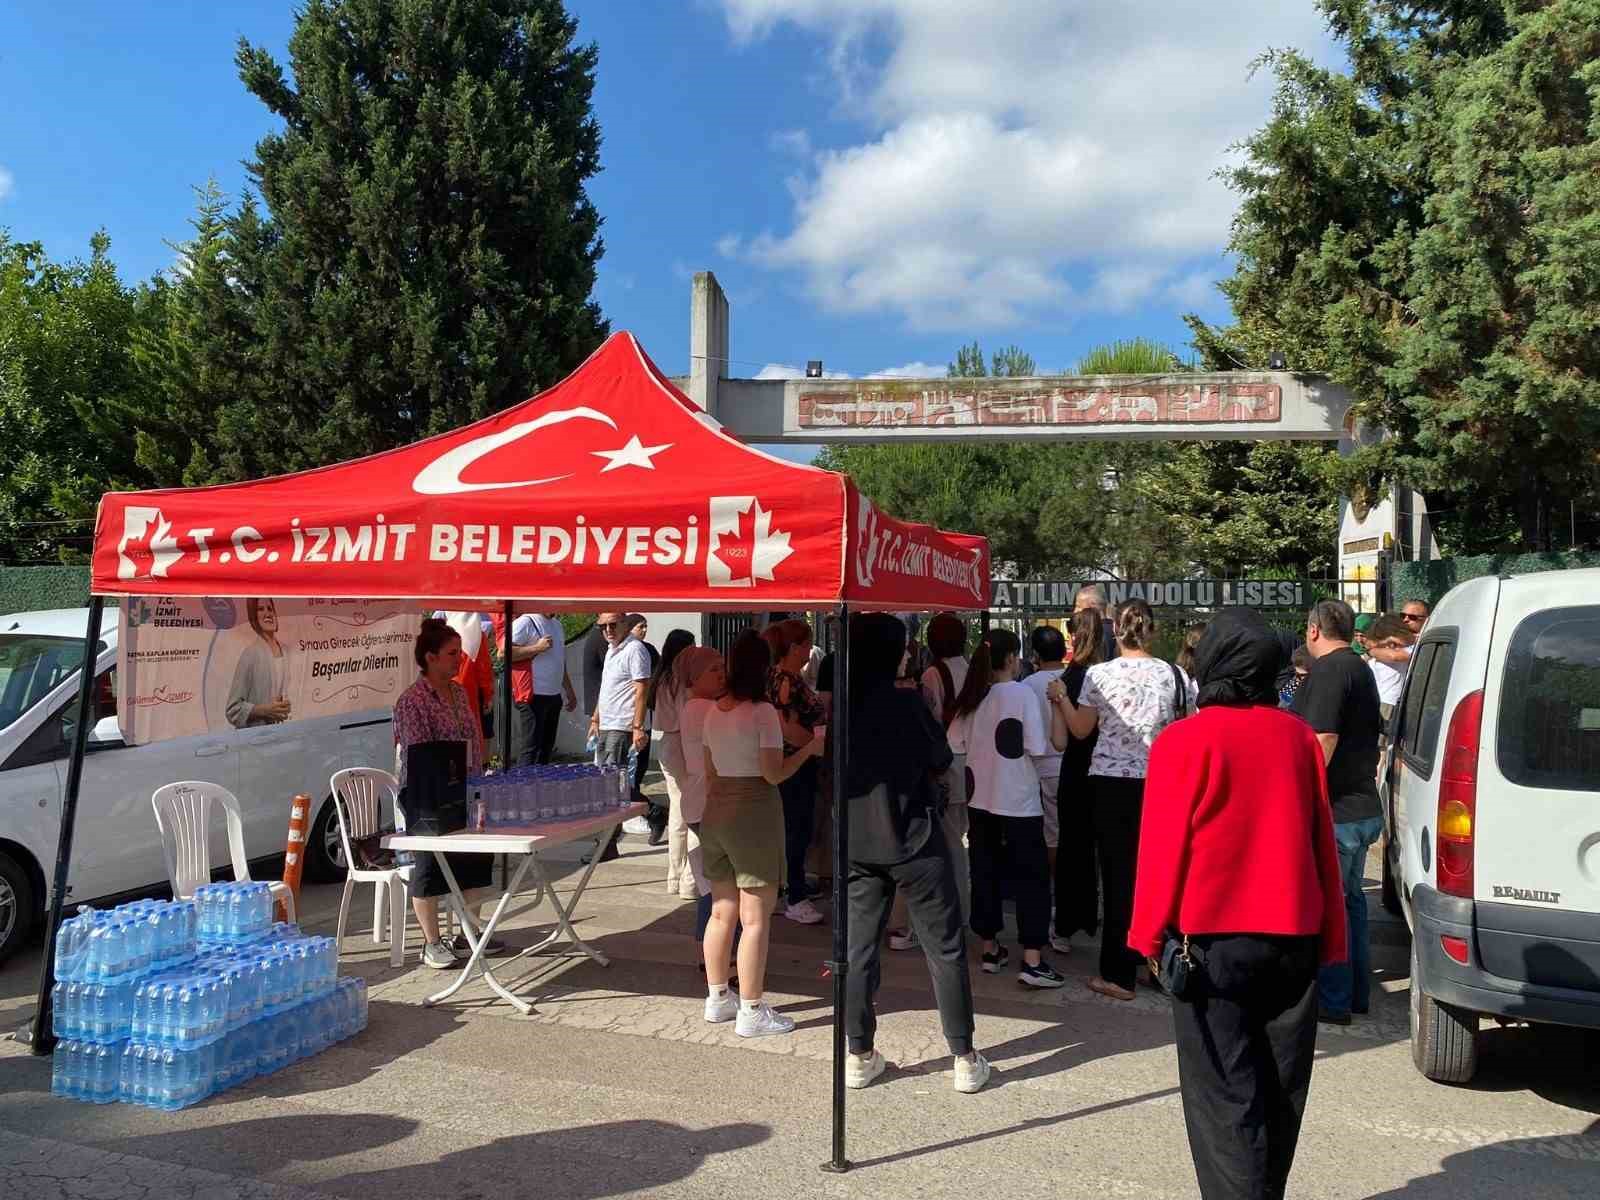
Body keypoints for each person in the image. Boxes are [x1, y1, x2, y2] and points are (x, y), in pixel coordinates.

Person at [1130, 610, 1347, 1200]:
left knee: (1223, 1097)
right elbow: (1318, 840)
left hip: (1212, 942)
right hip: (1294, 938)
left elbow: (1161, 849)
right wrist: (1334, 937)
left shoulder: (1184, 740)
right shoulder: (1297, 738)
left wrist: (1147, 937)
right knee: (1281, 1090)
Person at [842, 612, 990, 1094]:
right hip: (914, 837)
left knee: (859, 949)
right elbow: (941, 757)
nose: (908, 654)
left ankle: (859, 1051)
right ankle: (963, 1055)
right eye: (903, 647)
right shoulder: (906, 704)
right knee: (944, 948)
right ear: (890, 652)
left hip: (858, 842)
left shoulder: (842, 706)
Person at [1052, 598, 1196, 1001]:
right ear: (1152, 631)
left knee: (1118, 877)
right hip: (1162, 783)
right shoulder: (1176, 675)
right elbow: (1189, 730)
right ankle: (1159, 960)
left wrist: (1062, 697)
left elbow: (1080, 730)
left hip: (1111, 785)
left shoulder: (1100, 675)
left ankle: (1118, 972)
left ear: (1116, 631)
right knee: (1160, 872)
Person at [700, 631, 824, 1037]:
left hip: (715, 811)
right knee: (755, 919)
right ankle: (751, 1009)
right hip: (753, 812)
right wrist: (808, 750)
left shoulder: (712, 711)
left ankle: (718, 996)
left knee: (721, 910)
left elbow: (711, 769)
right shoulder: (763, 714)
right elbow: (773, 773)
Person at [950, 628, 1069, 988]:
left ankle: (989, 947)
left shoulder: (972, 696)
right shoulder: (1020, 694)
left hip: (980, 798)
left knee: (984, 870)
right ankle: (1032, 958)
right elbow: (1036, 745)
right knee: (1031, 877)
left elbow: (953, 742)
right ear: (1011, 659)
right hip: (1019, 799)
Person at [1292, 599, 1384, 1026]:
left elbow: (1323, 737)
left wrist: (1302, 796)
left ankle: (1333, 999)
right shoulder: (1359, 667)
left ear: (1313, 631)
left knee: (1332, 907)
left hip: (1338, 810)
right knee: (1351, 904)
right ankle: (1353, 993)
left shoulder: (1329, 671)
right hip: (1362, 806)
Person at [392, 618, 500, 970]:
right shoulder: (412, 700)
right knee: (430, 863)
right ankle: (431, 942)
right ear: (430, 657)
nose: (459, 659)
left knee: (476, 857)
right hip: (426, 793)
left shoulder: (458, 693)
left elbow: (472, 738)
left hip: (464, 786)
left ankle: (466, 933)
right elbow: (420, 752)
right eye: (452, 653)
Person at [763, 619, 828, 926]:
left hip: (796, 763)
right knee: (796, 830)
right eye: (805, 644)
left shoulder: (782, 676)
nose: (808, 650)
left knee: (791, 829)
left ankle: (784, 890)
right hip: (795, 765)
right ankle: (794, 894)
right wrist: (813, 745)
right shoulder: (784, 680)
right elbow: (783, 726)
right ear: (793, 647)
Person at [916, 612, 972, 929]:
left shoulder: (933, 675)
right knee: (962, 837)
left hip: (947, 762)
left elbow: (929, 721)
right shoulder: (975, 670)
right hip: (975, 763)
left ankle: (954, 915)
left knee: (948, 842)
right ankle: (966, 909)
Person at [1053, 608, 1104, 950]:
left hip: (1073, 769)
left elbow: (1061, 740)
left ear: (1072, 636)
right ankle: (1093, 915)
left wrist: (1059, 700)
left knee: (1072, 847)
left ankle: (1067, 924)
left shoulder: (1066, 680)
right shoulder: (1108, 676)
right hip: (1105, 771)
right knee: (1104, 851)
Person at [587, 612, 653, 862]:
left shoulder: (634, 649)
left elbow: (641, 689)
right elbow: (606, 688)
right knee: (609, 786)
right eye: (603, 626)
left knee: (612, 788)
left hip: (622, 726)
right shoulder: (613, 649)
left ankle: (607, 844)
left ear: (625, 623)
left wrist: (637, 726)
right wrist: (595, 718)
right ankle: (653, 812)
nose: (608, 630)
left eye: (613, 625)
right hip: (607, 724)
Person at [1020, 624, 1071, 951]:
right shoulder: (1072, 681)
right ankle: (1057, 896)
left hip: (1033, 768)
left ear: (1034, 654)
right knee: (1057, 832)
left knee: (1042, 834)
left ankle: (1045, 891)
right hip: (1063, 765)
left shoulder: (1025, 685)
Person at [676, 646, 727, 950]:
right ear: (695, 678)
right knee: (718, 887)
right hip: (706, 801)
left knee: (713, 882)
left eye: (723, 667)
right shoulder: (702, 709)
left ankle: (709, 948)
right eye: (714, 670)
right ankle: (716, 952)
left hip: (702, 801)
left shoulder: (702, 706)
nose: (722, 674)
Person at [649, 630, 697, 895]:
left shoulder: (662, 677)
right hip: (682, 742)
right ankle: (689, 879)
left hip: (667, 743)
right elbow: (687, 716)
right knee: (690, 810)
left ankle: (675, 875)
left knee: (678, 809)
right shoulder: (681, 680)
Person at [495, 611, 577, 766]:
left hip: (553, 694)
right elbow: (502, 653)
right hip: (532, 694)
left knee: (546, 748)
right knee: (530, 748)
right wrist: (536, 648)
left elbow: (560, 660)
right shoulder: (526, 621)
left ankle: (539, 787)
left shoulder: (557, 625)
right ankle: (522, 787)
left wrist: (569, 690)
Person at [225, 599, 292, 728]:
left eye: (269, 609)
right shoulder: (250, 654)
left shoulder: (287, 651)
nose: (267, 614)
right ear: (253, 617)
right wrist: (265, 711)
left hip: (284, 734)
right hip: (257, 739)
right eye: (260, 609)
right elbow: (232, 710)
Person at [441, 612, 493, 757]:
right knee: (469, 736)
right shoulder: (478, 635)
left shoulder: (442, 637)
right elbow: (484, 669)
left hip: (444, 690)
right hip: (468, 691)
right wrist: (488, 696)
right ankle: (470, 773)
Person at [1364, 614, 1414, 723]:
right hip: (1376, 701)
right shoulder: (1377, 651)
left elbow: (1395, 657)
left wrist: (1372, 651)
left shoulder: (1410, 648)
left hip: (1390, 703)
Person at [1075, 584, 1120, 661]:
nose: (1075, 611)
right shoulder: (1117, 629)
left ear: (1092, 607)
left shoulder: (1096, 633)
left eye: (1078, 606)